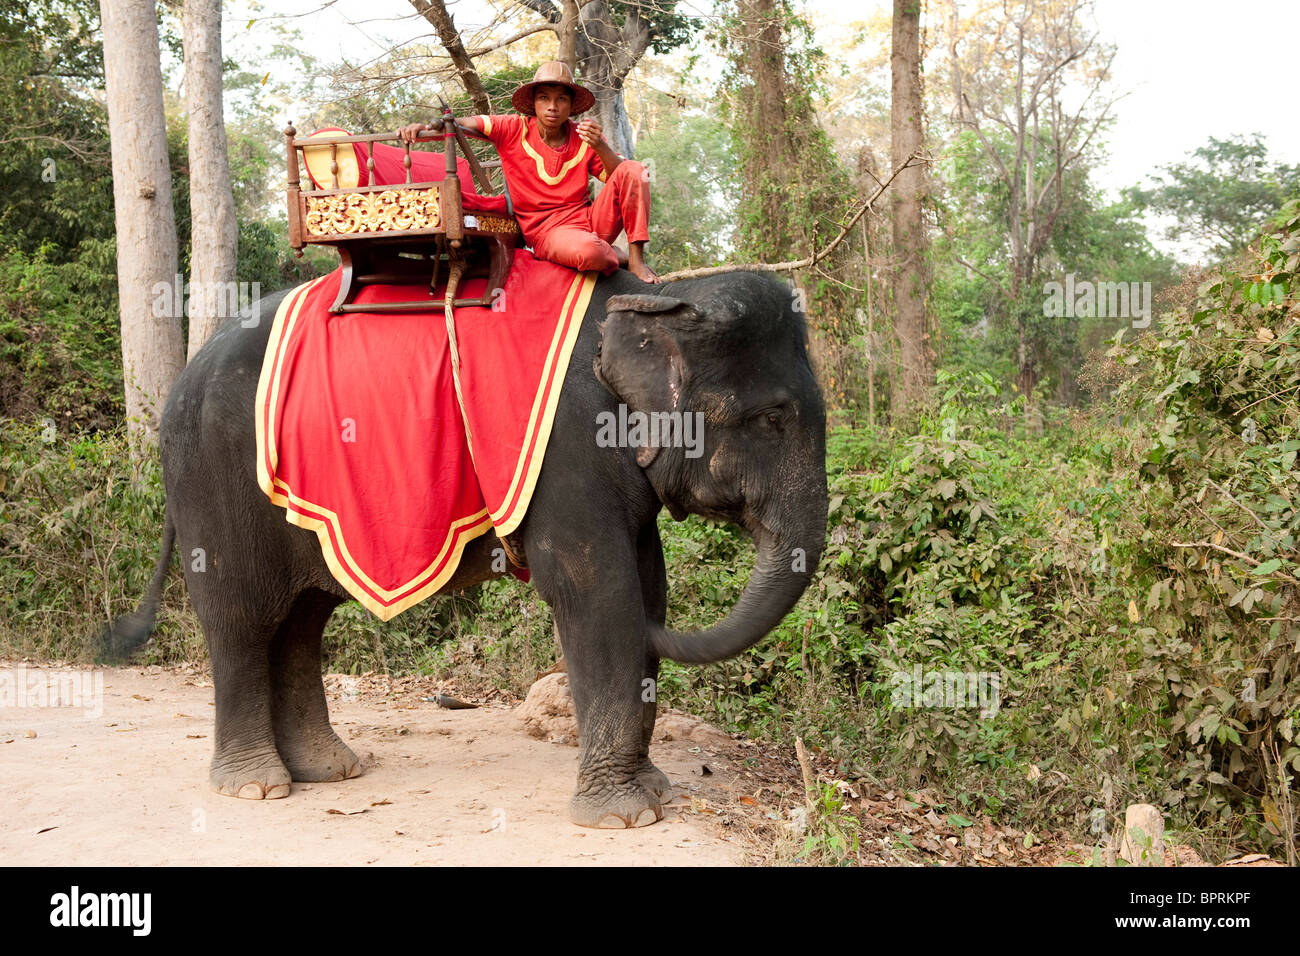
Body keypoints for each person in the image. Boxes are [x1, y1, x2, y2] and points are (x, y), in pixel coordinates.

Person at [400, 61, 660, 283]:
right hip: (548, 233)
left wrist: (600, 145)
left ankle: (635, 259)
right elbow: (458, 125)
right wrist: (422, 128)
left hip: (591, 222)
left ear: (571, 106)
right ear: (533, 103)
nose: (552, 106)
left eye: (561, 99)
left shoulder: (582, 135)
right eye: (544, 97)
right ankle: (615, 255)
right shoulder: (512, 128)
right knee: (592, 253)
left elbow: (622, 176)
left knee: (637, 169)